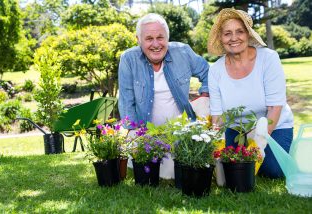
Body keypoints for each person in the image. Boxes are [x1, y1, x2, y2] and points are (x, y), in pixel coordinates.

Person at [118, 13, 209, 178]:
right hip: (146, 135)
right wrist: (139, 136)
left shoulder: (183, 52)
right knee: (157, 172)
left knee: (177, 171)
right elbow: (126, 103)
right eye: (149, 38)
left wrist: (204, 94)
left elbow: (208, 72)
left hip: (181, 133)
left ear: (167, 37)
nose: (155, 44)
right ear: (138, 39)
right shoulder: (129, 59)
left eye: (160, 37)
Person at [207, 8, 294, 179]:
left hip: (274, 125)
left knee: (272, 171)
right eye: (227, 33)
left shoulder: (268, 59)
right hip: (237, 128)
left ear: (248, 34)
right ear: (221, 39)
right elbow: (217, 116)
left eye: (240, 31)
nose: (234, 38)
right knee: (227, 166)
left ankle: (285, 147)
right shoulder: (215, 70)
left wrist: (257, 145)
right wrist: (216, 145)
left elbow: (275, 107)